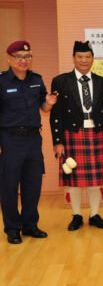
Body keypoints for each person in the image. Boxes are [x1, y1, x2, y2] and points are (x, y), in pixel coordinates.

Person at [51, 40, 103, 231]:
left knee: (95, 181)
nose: (84, 60)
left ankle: (94, 214)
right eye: (80, 57)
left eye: (88, 57)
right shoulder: (60, 81)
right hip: (72, 134)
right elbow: (56, 114)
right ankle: (77, 215)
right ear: (73, 58)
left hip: (96, 133)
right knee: (73, 181)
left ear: (93, 58)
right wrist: (57, 141)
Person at [0, 40, 56, 244]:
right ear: (9, 59)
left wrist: (49, 103)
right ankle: (12, 228)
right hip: (10, 139)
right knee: (9, 186)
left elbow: (44, 107)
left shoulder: (36, 79)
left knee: (33, 184)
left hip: (33, 139)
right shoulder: (2, 81)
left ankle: (30, 225)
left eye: (28, 56)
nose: (24, 60)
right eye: (19, 57)